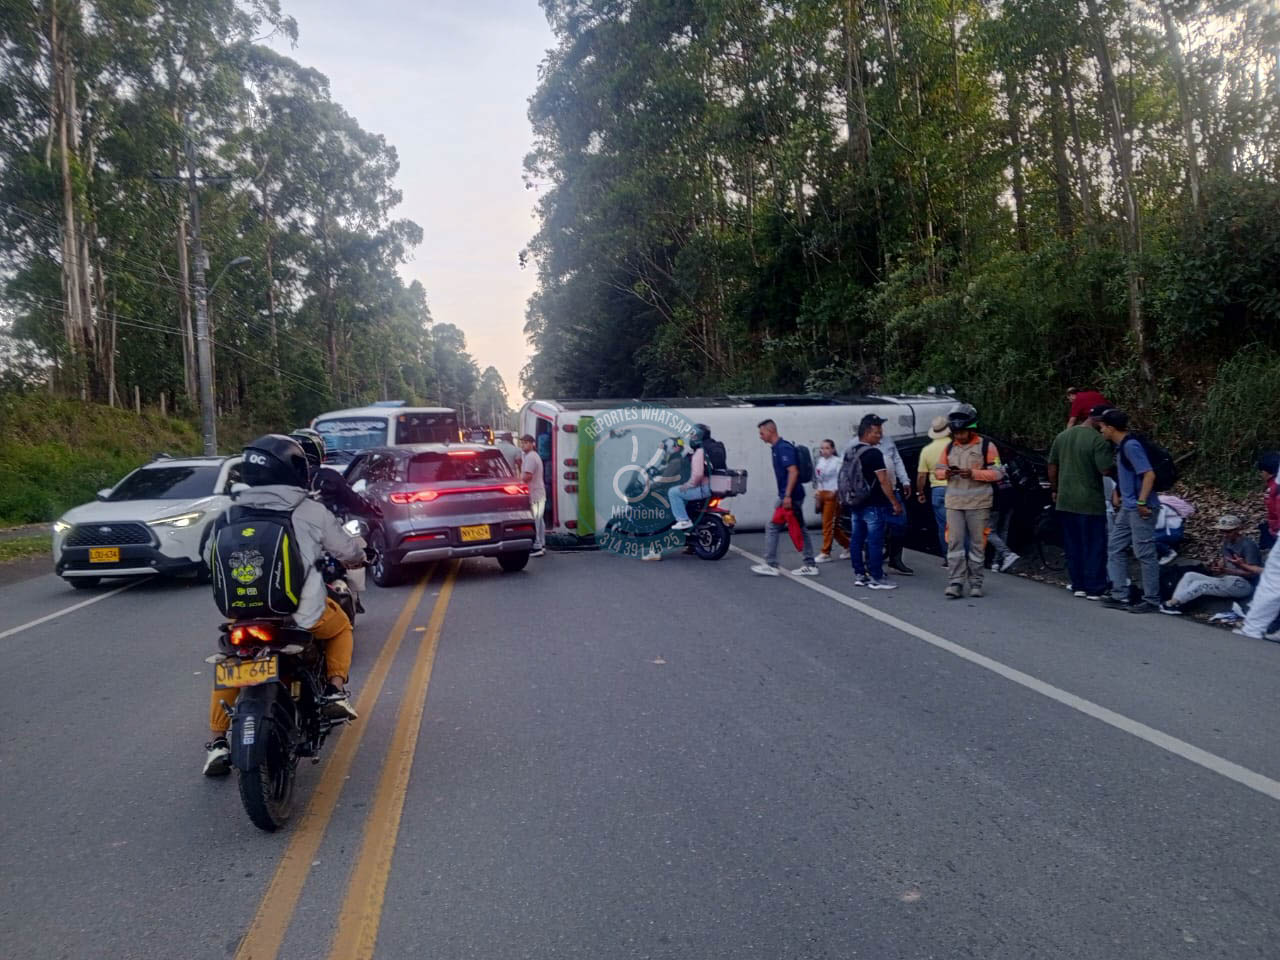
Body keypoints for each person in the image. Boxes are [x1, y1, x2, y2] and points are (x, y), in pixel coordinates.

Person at [203, 434, 366, 776]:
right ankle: (335, 692)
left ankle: (217, 742)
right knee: (341, 629)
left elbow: (208, 557)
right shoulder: (307, 509)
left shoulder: (229, 513)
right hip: (300, 614)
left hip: (243, 615)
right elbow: (347, 551)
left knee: (235, 665)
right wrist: (359, 556)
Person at [934, 404, 1004, 598]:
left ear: (971, 429)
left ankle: (976, 582)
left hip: (979, 504)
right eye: (956, 433)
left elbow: (998, 473)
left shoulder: (986, 446)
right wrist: (946, 473)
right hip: (954, 504)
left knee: (977, 544)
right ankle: (955, 582)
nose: (959, 436)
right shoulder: (948, 448)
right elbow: (937, 471)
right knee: (954, 544)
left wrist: (973, 473)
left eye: (963, 432)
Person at [1047, 403, 1114, 600]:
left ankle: (1078, 584)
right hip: (1090, 502)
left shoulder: (1063, 436)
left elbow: (1052, 465)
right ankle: (1095, 587)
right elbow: (1104, 470)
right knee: (1094, 545)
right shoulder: (1098, 440)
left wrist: (1055, 489)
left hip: (1065, 500)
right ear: (1100, 421)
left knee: (1073, 544)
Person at [1098, 409, 1162, 613]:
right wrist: (1119, 492)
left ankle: (1151, 599)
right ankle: (1119, 593)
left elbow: (1148, 475)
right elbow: (1128, 474)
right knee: (1115, 545)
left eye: (1102, 428)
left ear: (1110, 427)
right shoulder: (1122, 446)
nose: (1101, 432)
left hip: (1140, 508)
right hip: (1128, 506)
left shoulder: (1131, 446)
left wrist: (1142, 502)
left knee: (1144, 552)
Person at [750, 419, 818, 577]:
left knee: (788, 528)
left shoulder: (783, 448)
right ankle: (776, 563)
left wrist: (787, 495)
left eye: (762, 433)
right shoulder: (776, 448)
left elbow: (793, 471)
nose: (760, 436)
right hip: (787, 495)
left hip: (791, 496)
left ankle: (776, 564)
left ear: (771, 431)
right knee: (780, 526)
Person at [1160, 515, 1262, 615]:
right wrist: (1218, 567)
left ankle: (1171, 603)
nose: (1225, 534)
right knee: (1190, 575)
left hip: (1243, 585)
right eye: (1222, 531)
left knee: (1200, 585)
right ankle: (1177, 604)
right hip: (1227, 579)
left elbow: (1252, 574)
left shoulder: (1248, 545)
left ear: (1238, 529)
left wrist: (1228, 570)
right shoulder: (1227, 542)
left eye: (1229, 531)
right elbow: (1225, 561)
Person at [845, 415, 902, 589]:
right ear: (868, 432)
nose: (880, 436)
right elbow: (884, 480)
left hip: (855, 501)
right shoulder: (874, 453)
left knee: (856, 539)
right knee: (875, 540)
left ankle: (860, 574)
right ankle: (876, 577)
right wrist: (894, 502)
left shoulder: (850, 451)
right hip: (873, 503)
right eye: (877, 432)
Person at [874, 421, 914, 576]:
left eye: (880, 428)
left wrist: (905, 480)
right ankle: (874, 561)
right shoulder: (858, 443)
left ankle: (895, 559)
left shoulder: (888, 441)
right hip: (875, 491)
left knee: (900, 523)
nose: (879, 431)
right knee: (876, 526)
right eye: (876, 428)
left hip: (892, 487)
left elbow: (897, 461)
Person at [915, 416, 951, 562]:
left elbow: (921, 476)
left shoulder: (926, 450)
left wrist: (920, 492)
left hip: (937, 490)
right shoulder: (954, 446)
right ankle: (963, 557)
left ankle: (948, 558)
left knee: (943, 526)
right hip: (956, 489)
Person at [813, 439, 850, 563]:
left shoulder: (837, 462)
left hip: (833, 493)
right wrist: (818, 492)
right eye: (822, 448)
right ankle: (848, 545)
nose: (824, 450)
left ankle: (826, 552)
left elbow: (841, 478)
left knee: (828, 524)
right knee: (833, 527)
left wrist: (836, 491)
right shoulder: (820, 461)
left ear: (833, 449)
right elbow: (819, 479)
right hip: (822, 492)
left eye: (827, 448)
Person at [669, 425, 710, 531]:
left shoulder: (699, 453)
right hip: (712, 486)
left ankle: (683, 520)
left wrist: (688, 485)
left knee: (673, 492)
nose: (691, 438)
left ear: (697, 437)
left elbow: (697, 475)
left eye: (693, 436)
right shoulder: (709, 449)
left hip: (702, 488)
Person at [519, 434, 547, 558]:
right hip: (538, 491)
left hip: (535, 492)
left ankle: (537, 546)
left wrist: (518, 481)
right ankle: (542, 543)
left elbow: (528, 476)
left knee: (535, 520)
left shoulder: (530, 457)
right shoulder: (533, 456)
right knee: (539, 520)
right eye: (522, 442)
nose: (523, 445)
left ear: (532, 444)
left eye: (526, 442)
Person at [1258, 452, 1280, 551]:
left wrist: (1274, 530)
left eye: (1261, 471)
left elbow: (1275, 512)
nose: (1261, 474)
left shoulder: (1273, 490)